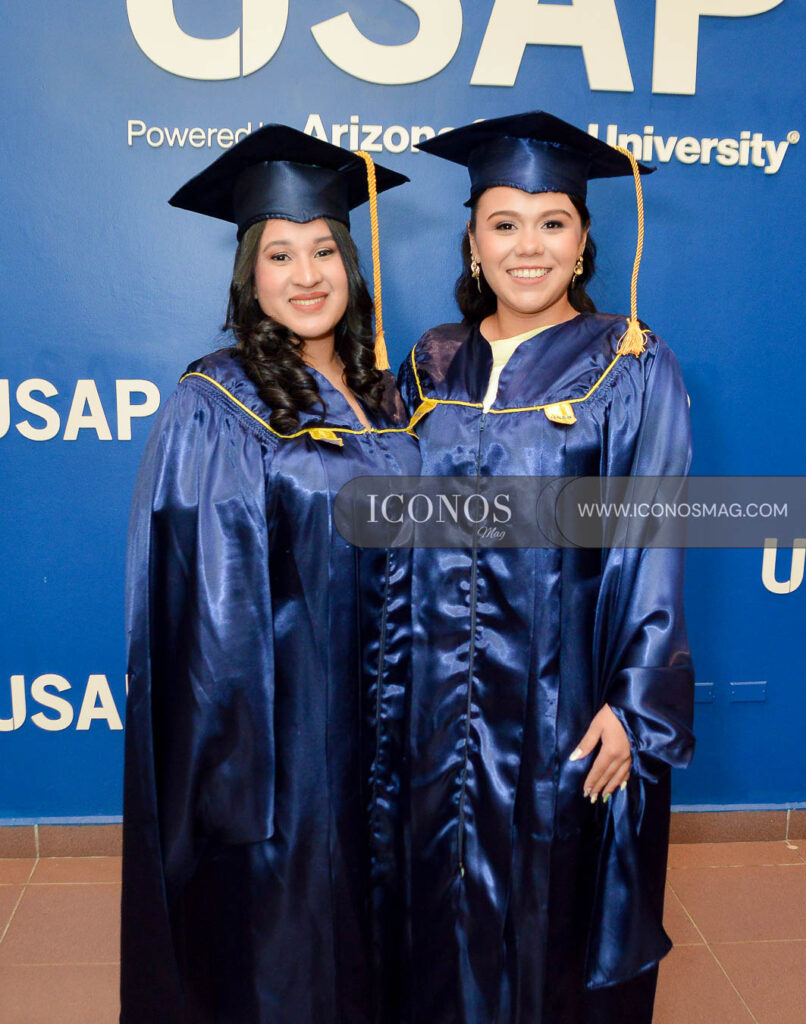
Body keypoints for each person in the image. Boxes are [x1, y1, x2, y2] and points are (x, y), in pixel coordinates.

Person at [397, 111, 695, 1024]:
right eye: (504, 224)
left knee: (552, 909)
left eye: (551, 223)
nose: (527, 247)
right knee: (433, 905)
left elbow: (653, 530)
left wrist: (633, 701)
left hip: (562, 695)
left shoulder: (628, 363)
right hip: (432, 702)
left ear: (582, 240)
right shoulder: (430, 363)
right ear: (473, 244)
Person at [120, 124, 419, 1024]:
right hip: (287, 743)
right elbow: (209, 610)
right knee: (293, 944)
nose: (306, 275)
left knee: (382, 932)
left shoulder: (389, 395)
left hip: (394, 720)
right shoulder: (217, 399)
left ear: (351, 264)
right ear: (249, 276)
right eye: (279, 255)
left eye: (324, 250)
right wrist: (240, 781)